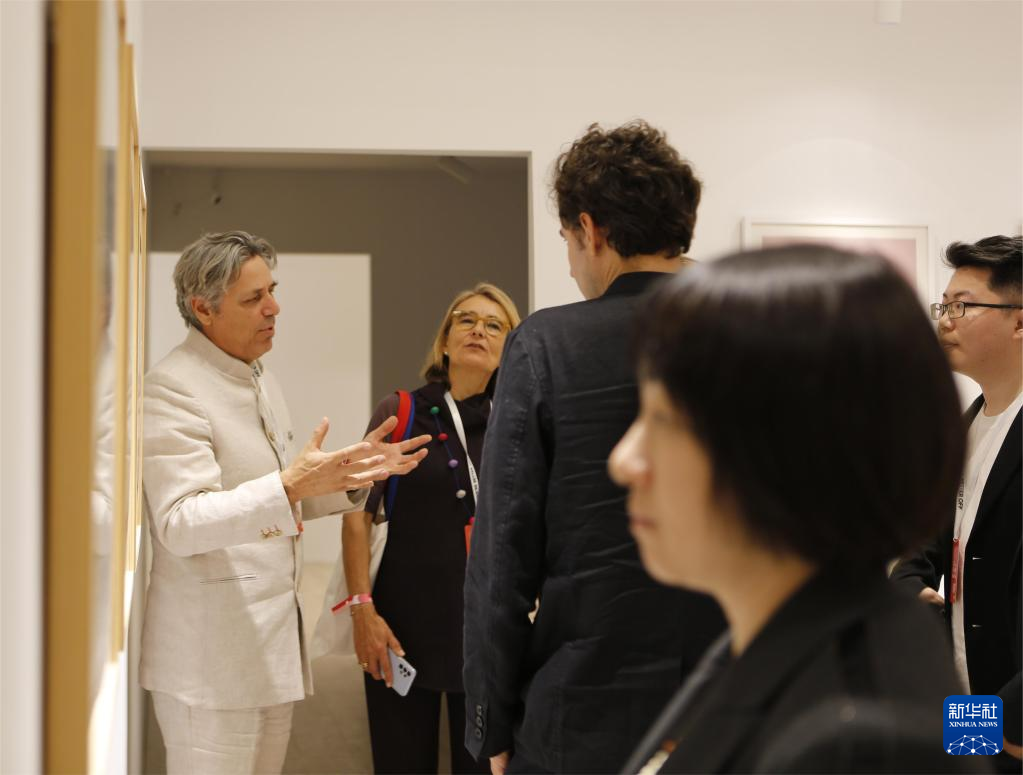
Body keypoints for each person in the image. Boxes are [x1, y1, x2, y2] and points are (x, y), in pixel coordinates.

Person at [612, 245, 980, 774]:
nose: (624, 461)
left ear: (789, 447)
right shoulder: (784, 635)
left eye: (664, 420)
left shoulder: (856, 741)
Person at [462, 121, 725, 775]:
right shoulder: (759, 340)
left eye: (567, 242)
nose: (571, 263)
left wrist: (489, 720)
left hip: (581, 713)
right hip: (727, 709)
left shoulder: (545, 344)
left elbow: (502, 558)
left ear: (591, 229)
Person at [140, 231, 429, 775]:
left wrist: (347, 479)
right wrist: (289, 487)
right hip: (210, 665)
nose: (273, 308)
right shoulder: (173, 387)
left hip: (269, 651)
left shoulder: (259, 377)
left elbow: (274, 499)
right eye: (254, 298)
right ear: (203, 309)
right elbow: (180, 522)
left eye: (272, 291)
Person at [339, 283, 521, 774]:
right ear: (444, 339)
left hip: (486, 637)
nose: (479, 330)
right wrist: (362, 611)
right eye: (467, 320)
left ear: (509, 348)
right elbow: (356, 515)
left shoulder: (517, 422)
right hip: (398, 631)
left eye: (495, 325)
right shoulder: (399, 413)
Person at [892, 235, 1022, 771]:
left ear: (1020, 321)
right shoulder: (967, 424)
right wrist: (907, 584)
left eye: (962, 306)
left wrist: (1004, 725)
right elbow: (927, 539)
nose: (945, 320)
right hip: (973, 703)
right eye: (943, 305)